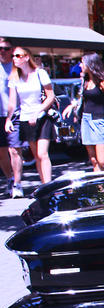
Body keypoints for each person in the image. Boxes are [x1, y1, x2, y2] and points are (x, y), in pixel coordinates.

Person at [5, 47, 55, 192]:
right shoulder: (14, 78)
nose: (15, 58)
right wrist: (9, 119)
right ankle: (44, 186)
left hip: (42, 117)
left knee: (42, 153)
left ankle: (49, 186)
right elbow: (13, 102)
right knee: (36, 155)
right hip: (25, 118)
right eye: (14, 56)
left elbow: (50, 97)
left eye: (18, 55)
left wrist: (38, 111)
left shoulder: (40, 73)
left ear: (27, 57)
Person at [64, 53, 104, 173]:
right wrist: (71, 106)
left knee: (102, 159)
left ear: (90, 63)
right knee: (93, 160)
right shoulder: (85, 82)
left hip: (99, 121)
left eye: (82, 62)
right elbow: (80, 99)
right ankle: (100, 188)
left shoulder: (103, 83)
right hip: (86, 120)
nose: (80, 65)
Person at [0, 38, 17, 196]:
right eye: (0, 48)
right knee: (2, 151)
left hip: (15, 114)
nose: (2, 51)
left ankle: (17, 182)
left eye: (6, 48)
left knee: (14, 150)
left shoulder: (16, 67)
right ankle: (10, 179)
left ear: (12, 50)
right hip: (0, 114)